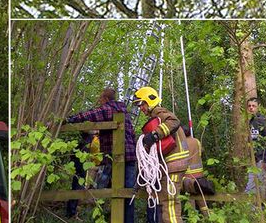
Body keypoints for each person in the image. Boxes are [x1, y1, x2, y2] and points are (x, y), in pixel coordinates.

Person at [66, 88, 137, 223]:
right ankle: (125, 220)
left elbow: (87, 115)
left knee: (111, 190)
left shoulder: (108, 109)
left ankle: (108, 217)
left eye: (100, 99)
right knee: (127, 192)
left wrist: (67, 120)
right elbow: (132, 134)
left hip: (116, 157)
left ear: (105, 99)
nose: (99, 101)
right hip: (130, 155)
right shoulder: (124, 111)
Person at [133, 86, 189, 223]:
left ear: (149, 100)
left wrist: (154, 135)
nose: (141, 108)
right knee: (165, 204)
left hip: (174, 166)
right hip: (171, 166)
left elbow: (174, 121)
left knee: (169, 205)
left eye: (142, 104)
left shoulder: (159, 112)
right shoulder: (156, 117)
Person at [245, 97, 266, 197]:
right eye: (249, 106)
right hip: (255, 159)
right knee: (256, 186)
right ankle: (256, 210)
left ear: (258, 107)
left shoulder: (261, 120)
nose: (251, 108)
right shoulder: (251, 121)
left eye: (254, 106)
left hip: (262, 159)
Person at [182, 126, 213, 217]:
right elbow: (201, 152)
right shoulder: (197, 141)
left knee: (190, 199)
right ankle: (207, 217)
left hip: (188, 176)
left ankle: (192, 218)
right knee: (201, 200)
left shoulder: (182, 143)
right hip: (200, 175)